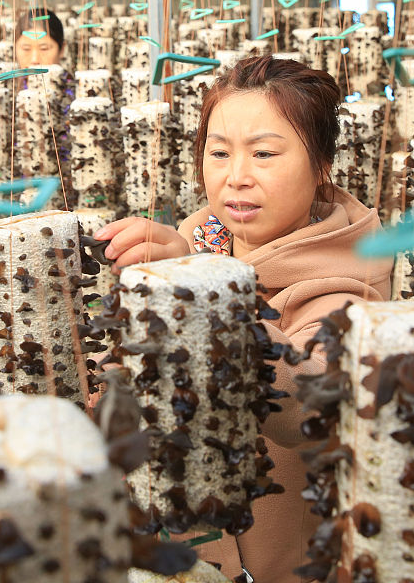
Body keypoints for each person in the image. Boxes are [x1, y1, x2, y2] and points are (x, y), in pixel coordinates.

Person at [93, 55, 394, 583]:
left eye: (265, 153)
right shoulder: (200, 239)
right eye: (218, 152)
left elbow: (308, 403)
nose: (237, 177)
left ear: (321, 164)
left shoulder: (349, 290)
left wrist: (199, 295)